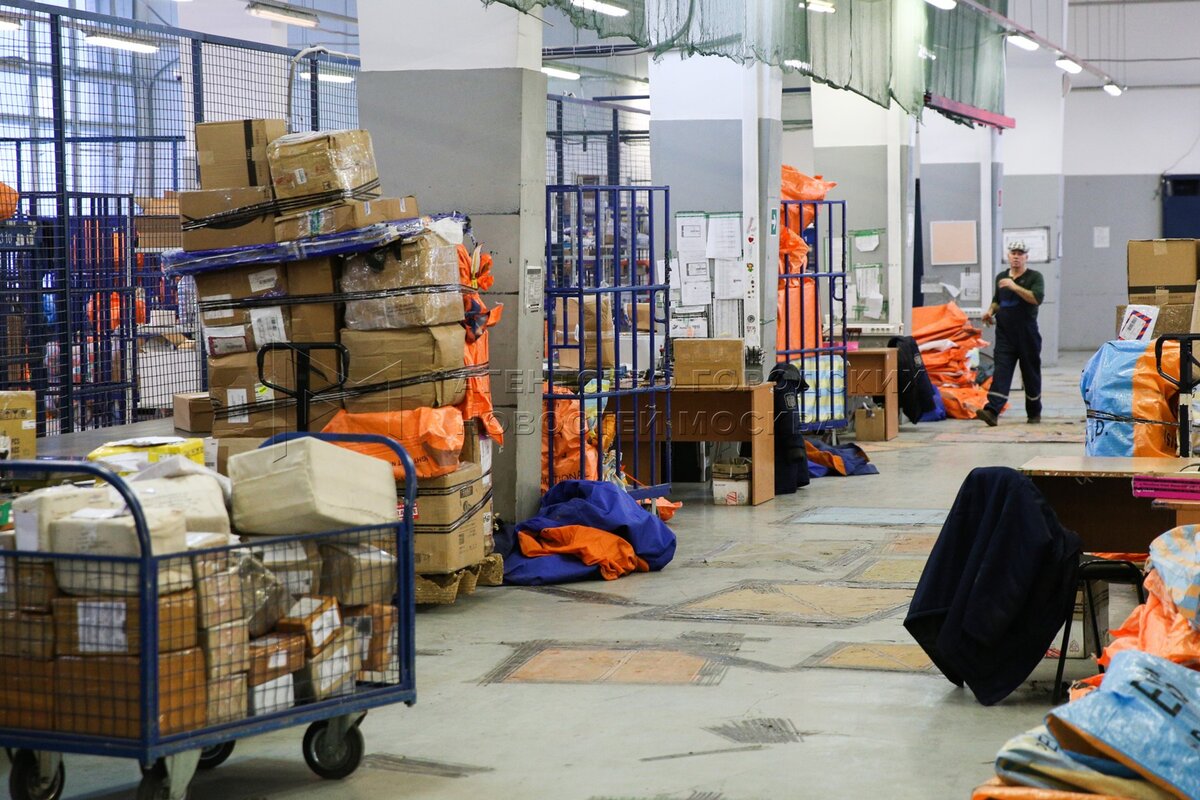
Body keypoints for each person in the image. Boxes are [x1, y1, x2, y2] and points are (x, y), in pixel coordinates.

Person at [978, 241, 1044, 426]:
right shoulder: (1001, 277)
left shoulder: (1035, 277)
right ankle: (992, 411)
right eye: (1013, 253)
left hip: (1027, 334)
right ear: (1008, 256)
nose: (1016, 256)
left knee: (1030, 373)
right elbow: (997, 300)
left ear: (1026, 257)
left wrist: (1014, 286)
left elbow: (1036, 298)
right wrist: (990, 311)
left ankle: (1034, 412)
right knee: (1001, 371)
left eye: (1020, 253)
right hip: (1005, 334)